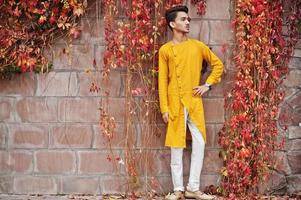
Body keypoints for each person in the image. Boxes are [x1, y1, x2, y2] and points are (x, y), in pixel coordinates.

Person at [158, 5, 224, 200]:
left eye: (188, 20)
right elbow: (162, 80)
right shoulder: (165, 50)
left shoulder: (197, 46)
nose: (187, 22)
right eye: (183, 19)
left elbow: (218, 65)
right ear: (172, 23)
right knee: (176, 146)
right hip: (175, 103)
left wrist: (208, 85)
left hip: (194, 102)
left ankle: (193, 188)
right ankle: (178, 189)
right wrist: (164, 107)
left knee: (200, 143)